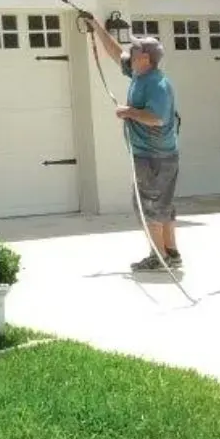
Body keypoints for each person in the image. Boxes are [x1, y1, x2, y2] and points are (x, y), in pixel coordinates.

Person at [85, 15, 181, 272]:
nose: (130, 50)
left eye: (135, 49)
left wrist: (128, 112)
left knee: (148, 206)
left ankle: (158, 257)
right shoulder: (140, 73)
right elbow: (116, 53)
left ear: (145, 58)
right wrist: (96, 26)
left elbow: (157, 118)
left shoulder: (157, 84)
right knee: (163, 205)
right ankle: (171, 253)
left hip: (154, 157)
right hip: (160, 156)